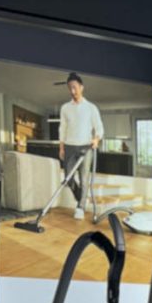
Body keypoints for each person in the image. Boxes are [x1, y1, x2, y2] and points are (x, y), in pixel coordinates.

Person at [58, 72, 103, 220]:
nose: (72, 91)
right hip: (70, 146)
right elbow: (62, 128)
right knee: (68, 178)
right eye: (70, 88)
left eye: (75, 87)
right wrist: (61, 147)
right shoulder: (65, 108)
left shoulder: (91, 108)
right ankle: (81, 196)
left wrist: (96, 139)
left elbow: (99, 128)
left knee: (84, 178)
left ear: (81, 87)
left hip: (86, 147)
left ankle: (80, 207)